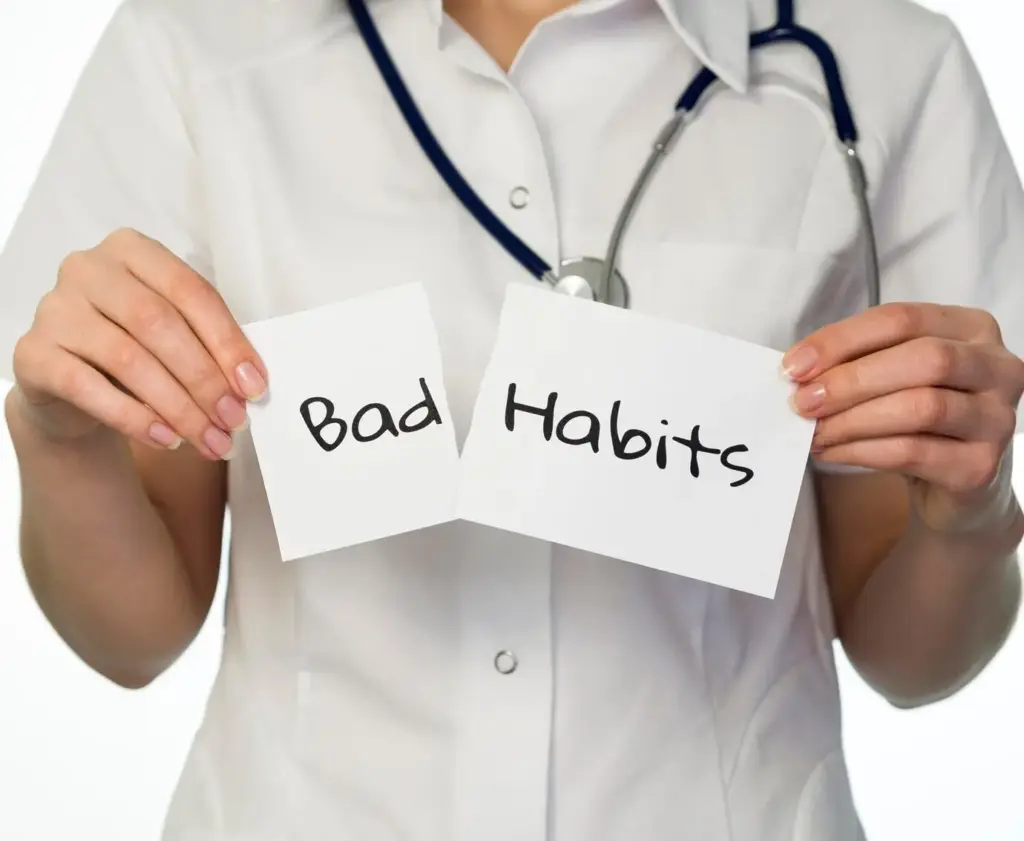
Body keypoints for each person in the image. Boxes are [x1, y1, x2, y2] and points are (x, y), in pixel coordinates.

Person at [2, 0, 1023, 838]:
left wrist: (968, 519)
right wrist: (60, 442)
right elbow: (133, 639)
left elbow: (911, 659)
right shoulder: (192, 50)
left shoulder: (888, 68)